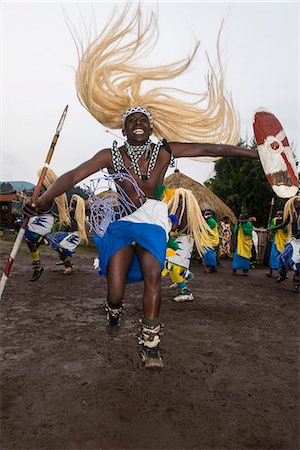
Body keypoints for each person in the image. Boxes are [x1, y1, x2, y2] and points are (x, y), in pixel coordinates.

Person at [23, 4, 259, 369]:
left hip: (152, 221)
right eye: (131, 120)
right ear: (123, 128)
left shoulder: (165, 151)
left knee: (153, 275)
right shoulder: (110, 154)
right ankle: (113, 310)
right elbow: (72, 177)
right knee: (115, 291)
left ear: (150, 128)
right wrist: (41, 201)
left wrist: (252, 153)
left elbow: (210, 147)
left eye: (143, 120)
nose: (137, 124)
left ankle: (151, 342)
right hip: (120, 223)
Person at [18, 169, 70, 281]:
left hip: (43, 221)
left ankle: (40, 263)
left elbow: (36, 205)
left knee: (31, 239)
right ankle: (39, 265)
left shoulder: (47, 193)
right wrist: (25, 198)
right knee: (32, 241)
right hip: (41, 220)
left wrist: (24, 199)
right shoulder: (44, 191)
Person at [162, 188, 211, 302]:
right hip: (185, 239)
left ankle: (185, 290)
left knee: (173, 265)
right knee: (170, 262)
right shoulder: (189, 210)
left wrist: (169, 229)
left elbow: (174, 225)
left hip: (184, 240)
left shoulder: (181, 209)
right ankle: (183, 277)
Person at [45, 194, 88, 274]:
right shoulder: (71, 210)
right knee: (56, 242)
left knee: (60, 246)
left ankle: (68, 266)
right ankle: (64, 260)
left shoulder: (77, 212)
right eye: (73, 200)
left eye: (75, 201)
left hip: (75, 234)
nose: (73, 202)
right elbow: (63, 217)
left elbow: (67, 218)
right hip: (70, 233)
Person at [267, 196, 300, 293]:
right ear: (294, 204)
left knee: (298, 263)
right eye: (297, 202)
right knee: (282, 257)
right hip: (293, 241)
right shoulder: (291, 215)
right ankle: (283, 274)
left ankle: (296, 283)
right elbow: (283, 225)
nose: (299, 204)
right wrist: (272, 228)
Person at [265, 210, 288, 277]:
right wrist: (273, 227)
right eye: (277, 215)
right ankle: (270, 270)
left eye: (280, 216)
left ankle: (283, 272)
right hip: (276, 240)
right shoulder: (274, 220)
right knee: (273, 255)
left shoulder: (287, 220)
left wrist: (282, 225)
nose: (278, 217)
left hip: (284, 241)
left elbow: (287, 230)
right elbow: (272, 228)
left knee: (283, 257)